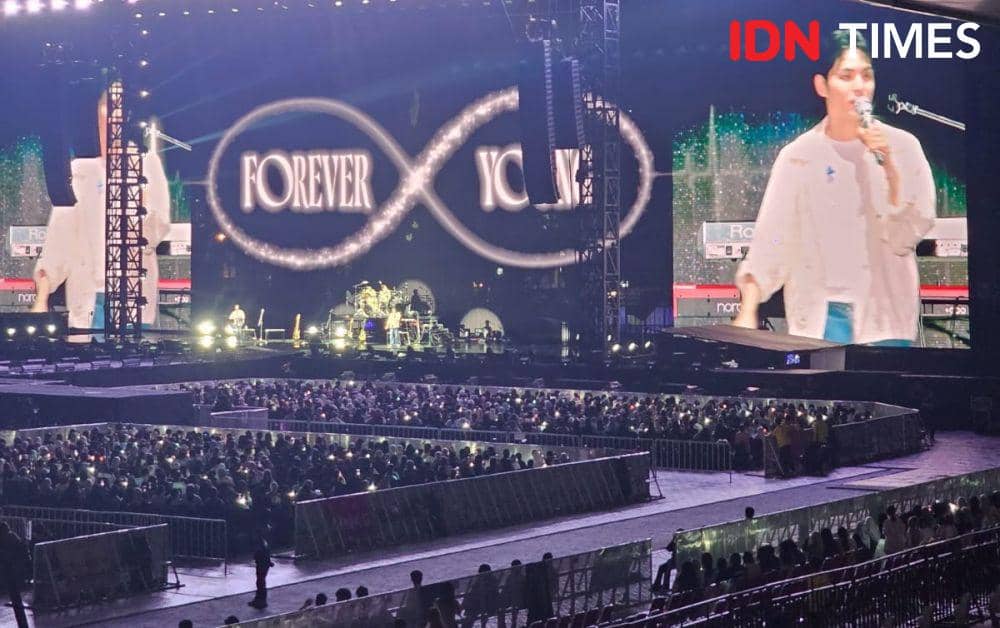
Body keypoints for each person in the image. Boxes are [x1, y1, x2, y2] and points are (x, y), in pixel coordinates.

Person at [732, 30, 935, 346]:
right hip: (819, 318)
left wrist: (889, 166)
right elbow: (772, 238)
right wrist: (748, 310)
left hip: (885, 320)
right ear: (822, 85)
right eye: (846, 76)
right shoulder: (798, 156)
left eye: (867, 76)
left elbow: (907, 234)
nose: (859, 86)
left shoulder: (903, 146)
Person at [31, 89, 171, 339]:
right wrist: (41, 298)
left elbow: (156, 229)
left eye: (116, 120)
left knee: (132, 359)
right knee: (90, 357)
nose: (109, 129)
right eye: (103, 120)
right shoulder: (80, 171)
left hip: (133, 300)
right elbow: (59, 239)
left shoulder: (147, 164)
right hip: (89, 300)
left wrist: (140, 202)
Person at [0, 522, 30, 628]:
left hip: (13, 569)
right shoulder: (11, 537)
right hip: (14, 569)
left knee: (15, 598)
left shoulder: (9, 539)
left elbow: (10, 556)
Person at [248, 531, 274, 609]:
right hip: (263, 564)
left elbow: (260, 553)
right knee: (260, 582)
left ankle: (261, 601)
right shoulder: (263, 542)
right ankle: (259, 600)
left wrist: (256, 557)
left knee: (260, 582)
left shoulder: (260, 543)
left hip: (262, 564)